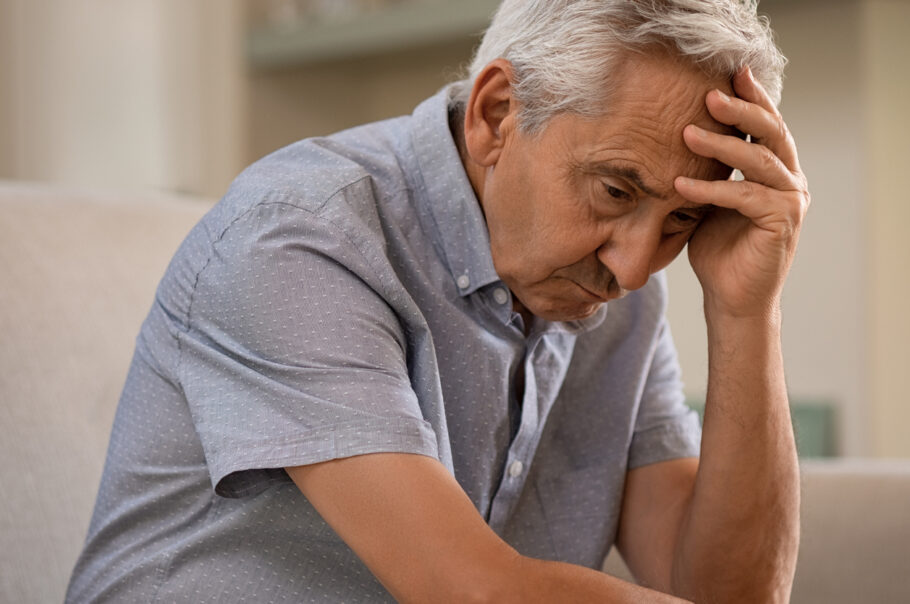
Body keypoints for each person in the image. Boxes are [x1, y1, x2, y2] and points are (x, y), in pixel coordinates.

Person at [67, 1, 808, 602]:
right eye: (615, 191)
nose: (637, 266)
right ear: (497, 113)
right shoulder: (301, 235)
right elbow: (472, 592)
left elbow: (724, 592)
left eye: (680, 221)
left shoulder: (617, 293)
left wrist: (748, 312)